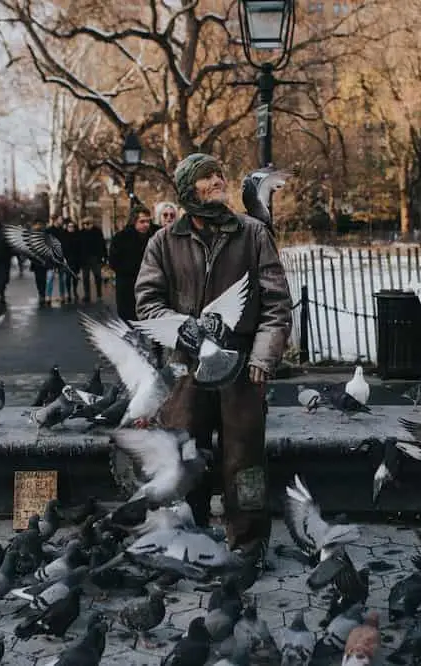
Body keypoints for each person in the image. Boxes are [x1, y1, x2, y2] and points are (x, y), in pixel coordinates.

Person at [135, 153, 292, 573]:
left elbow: (277, 305)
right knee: (186, 454)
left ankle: (248, 542)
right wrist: (177, 326)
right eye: (207, 176)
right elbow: (147, 304)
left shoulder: (254, 233)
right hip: (186, 370)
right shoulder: (163, 242)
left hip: (241, 367)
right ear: (189, 190)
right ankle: (188, 534)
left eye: (220, 173)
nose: (219, 180)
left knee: (245, 460)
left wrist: (263, 357)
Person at [110, 204, 158, 322]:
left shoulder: (155, 236)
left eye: (148, 221)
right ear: (133, 221)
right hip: (128, 287)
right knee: (130, 322)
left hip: (150, 287)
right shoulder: (121, 238)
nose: (146, 224)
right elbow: (114, 262)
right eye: (142, 221)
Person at [79, 219, 106, 303]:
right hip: (84, 259)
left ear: (91, 224)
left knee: (97, 277)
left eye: (88, 224)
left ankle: (99, 295)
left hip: (95, 258)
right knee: (85, 278)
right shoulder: (81, 233)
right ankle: (87, 295)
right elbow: (78, 247)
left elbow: (102, 244)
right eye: (85, 224)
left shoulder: (97, 232)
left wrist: (104, 257)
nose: (86, 225)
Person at [62, 219, 82, 305]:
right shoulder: (64, 237)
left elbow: (80, 249)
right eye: (69, 226)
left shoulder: (78, 236)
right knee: (67, 278)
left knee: (75, 277)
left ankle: (75, 291)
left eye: (72, 227)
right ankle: (69, 293)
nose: (71, 228)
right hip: (67, 260)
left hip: (76, 260)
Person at [29, 221, 49, 307]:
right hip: (40, 261)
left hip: (39, 261)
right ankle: (42, 294)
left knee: (39, 279)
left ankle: (41, 294)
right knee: (41, 279)